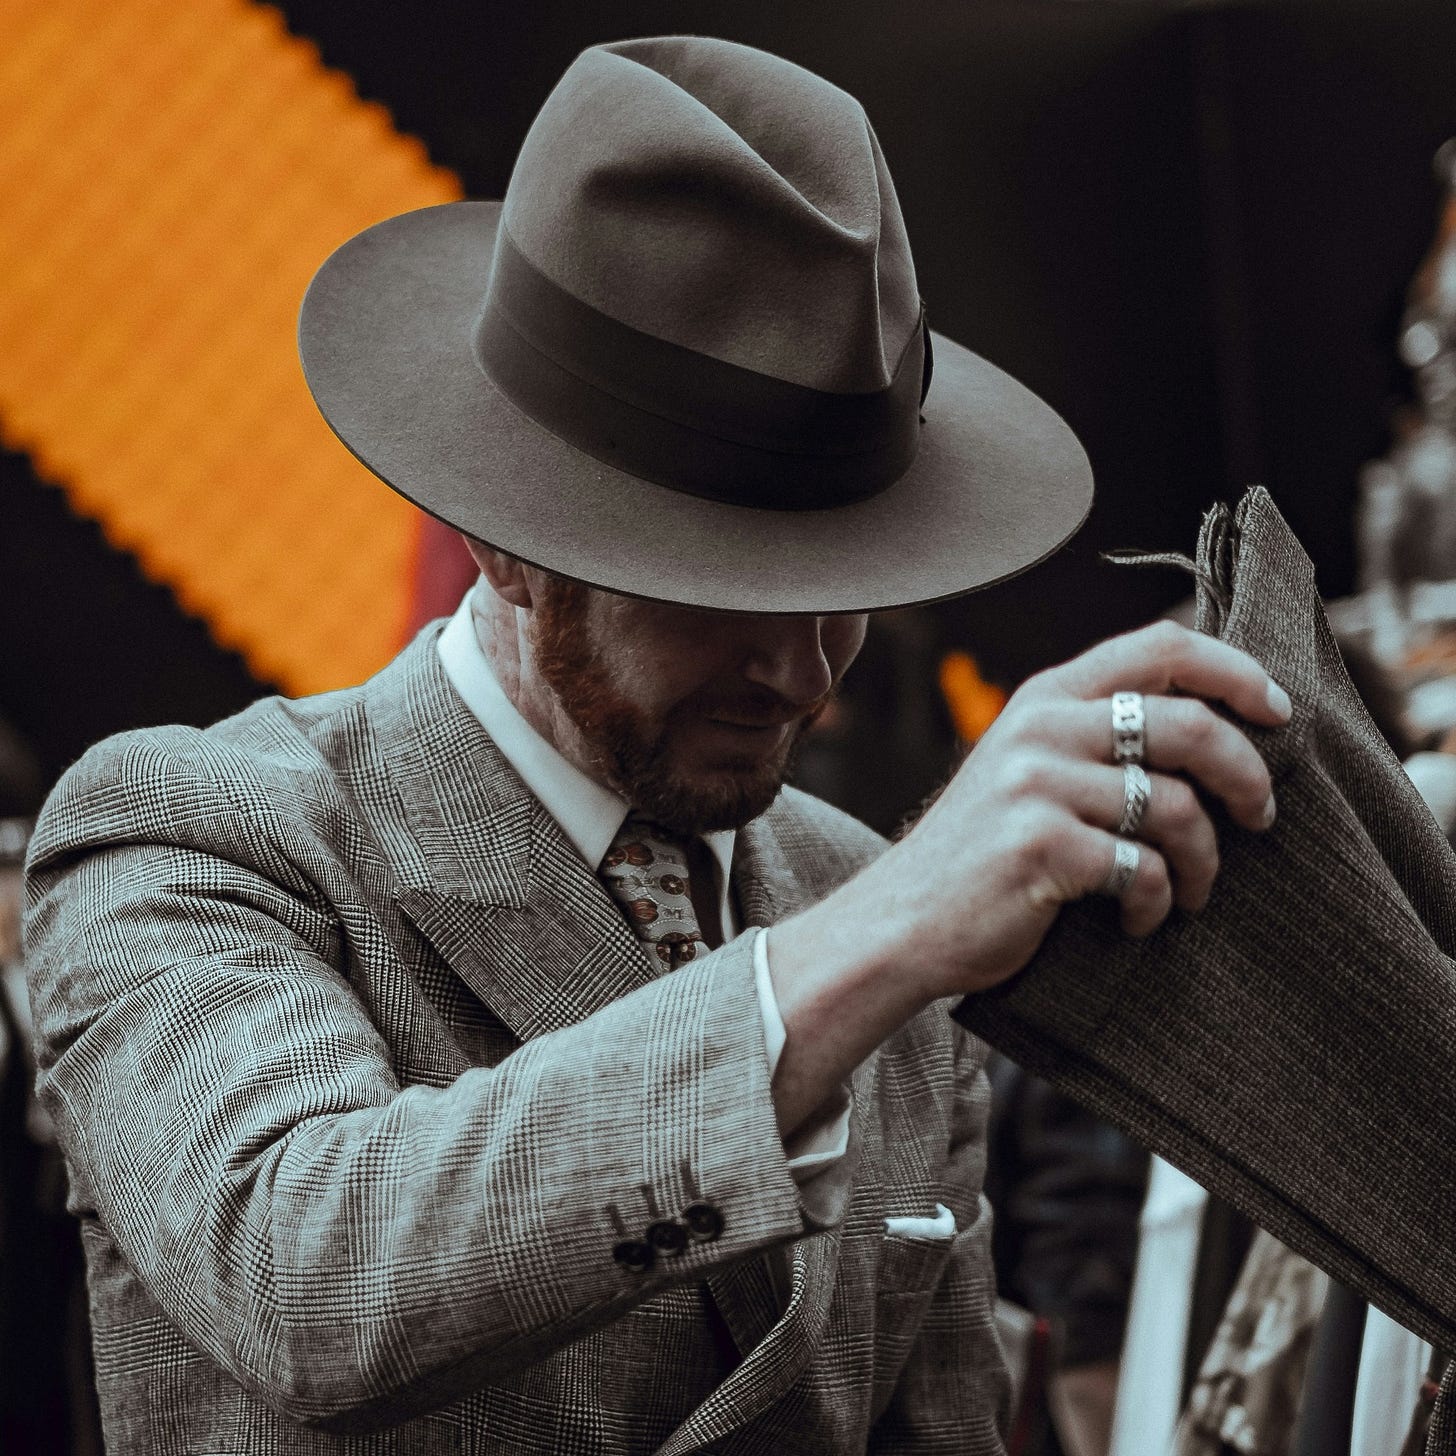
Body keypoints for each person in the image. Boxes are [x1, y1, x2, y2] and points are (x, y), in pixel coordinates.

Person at [23, 36, 1292, 1454]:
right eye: (726, 591)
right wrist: (868, 947)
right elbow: (314, 1280)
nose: (804, 670)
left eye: (850, 586)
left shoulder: (865, 901)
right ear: (504, 543)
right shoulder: (190, 833)